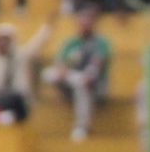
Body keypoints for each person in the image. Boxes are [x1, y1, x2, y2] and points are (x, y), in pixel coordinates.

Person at [43, 9, 111, 142]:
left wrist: (88, 76)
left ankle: (82, 126)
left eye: (88, 22)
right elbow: (60, 63)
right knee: (48, 74)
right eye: (82, 23)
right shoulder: (71, 43)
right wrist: (63, 71)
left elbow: (98, 63)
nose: (85, 25)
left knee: (82, 84)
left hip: (95, 85)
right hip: (72, 79)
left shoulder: (101, 43)